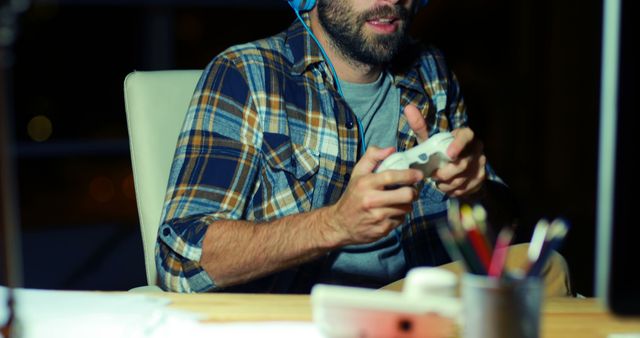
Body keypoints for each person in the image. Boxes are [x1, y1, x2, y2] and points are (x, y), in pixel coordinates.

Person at [156, 0, 571, 295]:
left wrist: (474, 188)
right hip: (312, 314)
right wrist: (335, 224)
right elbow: (181, 260)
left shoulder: (429, 70)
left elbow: (501, 235)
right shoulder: (247, 74)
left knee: (549, 269)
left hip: (420, 303)